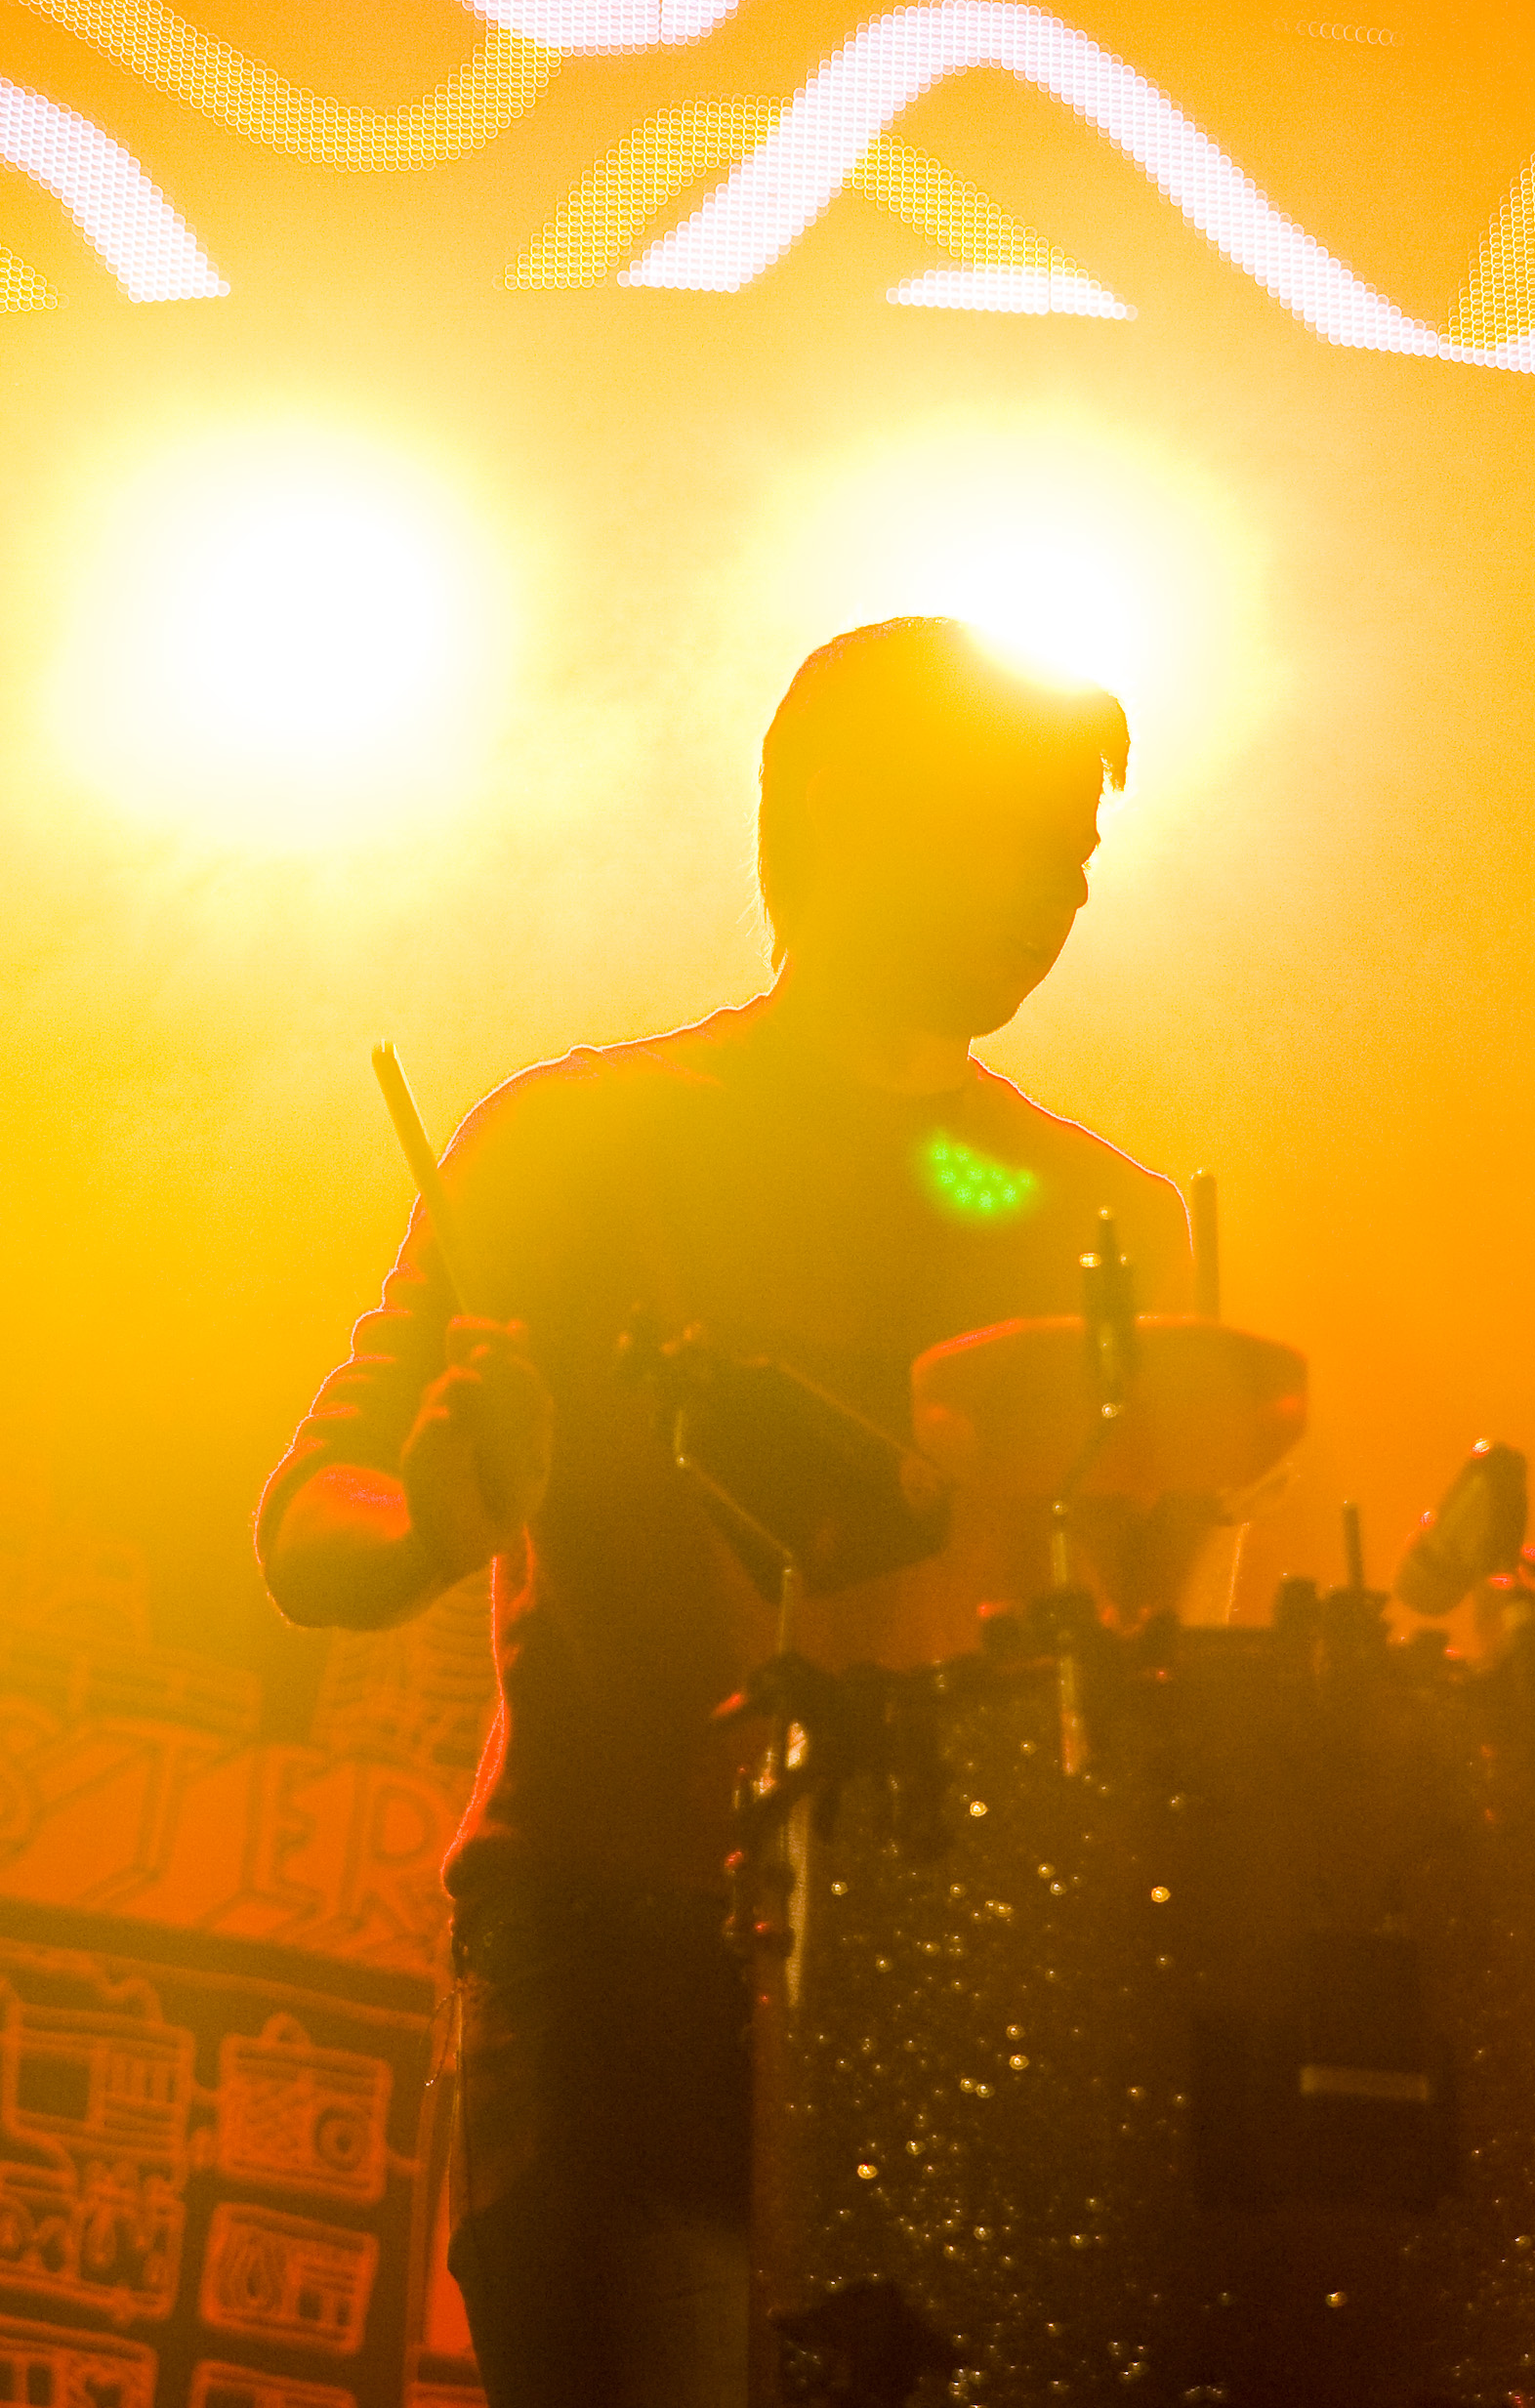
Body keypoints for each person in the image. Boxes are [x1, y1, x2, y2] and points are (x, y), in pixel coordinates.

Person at [258, 615, 1193, 2408]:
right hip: (623, 1971)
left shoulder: (1112, 1231)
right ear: (836, 817)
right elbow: (321, 1504)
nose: (1068, 888)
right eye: (1028, 831)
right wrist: (431, 1525)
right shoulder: (578, 1139)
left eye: (1088, 851)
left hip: (976, 2010)